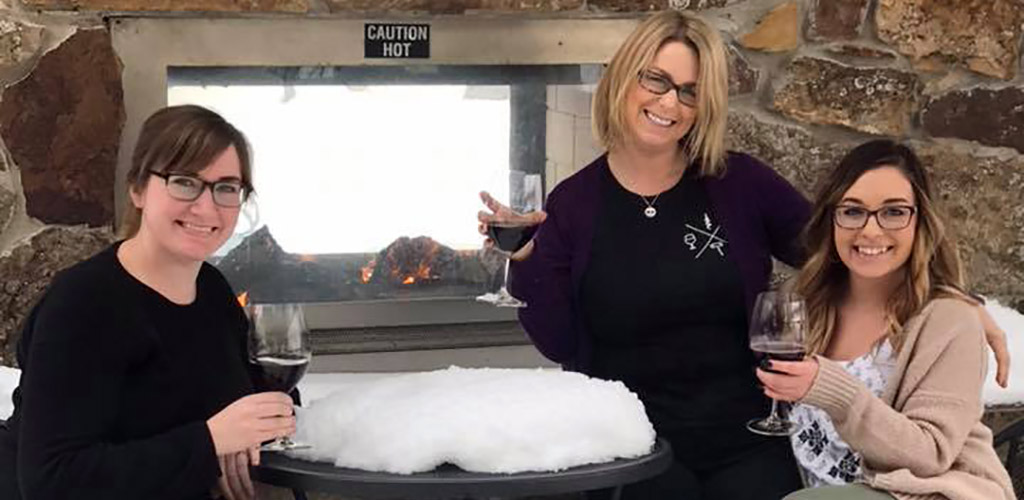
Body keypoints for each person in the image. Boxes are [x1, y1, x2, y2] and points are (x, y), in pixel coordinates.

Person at [477, 10, 1012, 500]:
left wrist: (951, 297)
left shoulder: (738, 183)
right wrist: (525, 261)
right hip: (639, 442)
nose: (669, 104)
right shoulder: (573, 203)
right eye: (656, 80)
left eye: (689, 92)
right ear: (624, 78)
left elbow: (846, 249)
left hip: (750, 435)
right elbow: (560, 341)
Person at [0, 105, 295, 500]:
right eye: (184, 182)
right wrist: (210, 443)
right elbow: (53, 480)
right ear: (137, 189)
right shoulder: (83, 304)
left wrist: (249, 431)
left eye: (226, 187)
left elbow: (256, 391)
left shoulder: (212, 290)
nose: (207, 207)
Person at [757, 140, 1015, 499]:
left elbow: (930, 454)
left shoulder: (949, 321)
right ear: (831, 219)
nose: (871, 231)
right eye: (852, 211)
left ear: (920, 220)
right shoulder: (801, 302)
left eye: (894, 212)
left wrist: (834, 391)